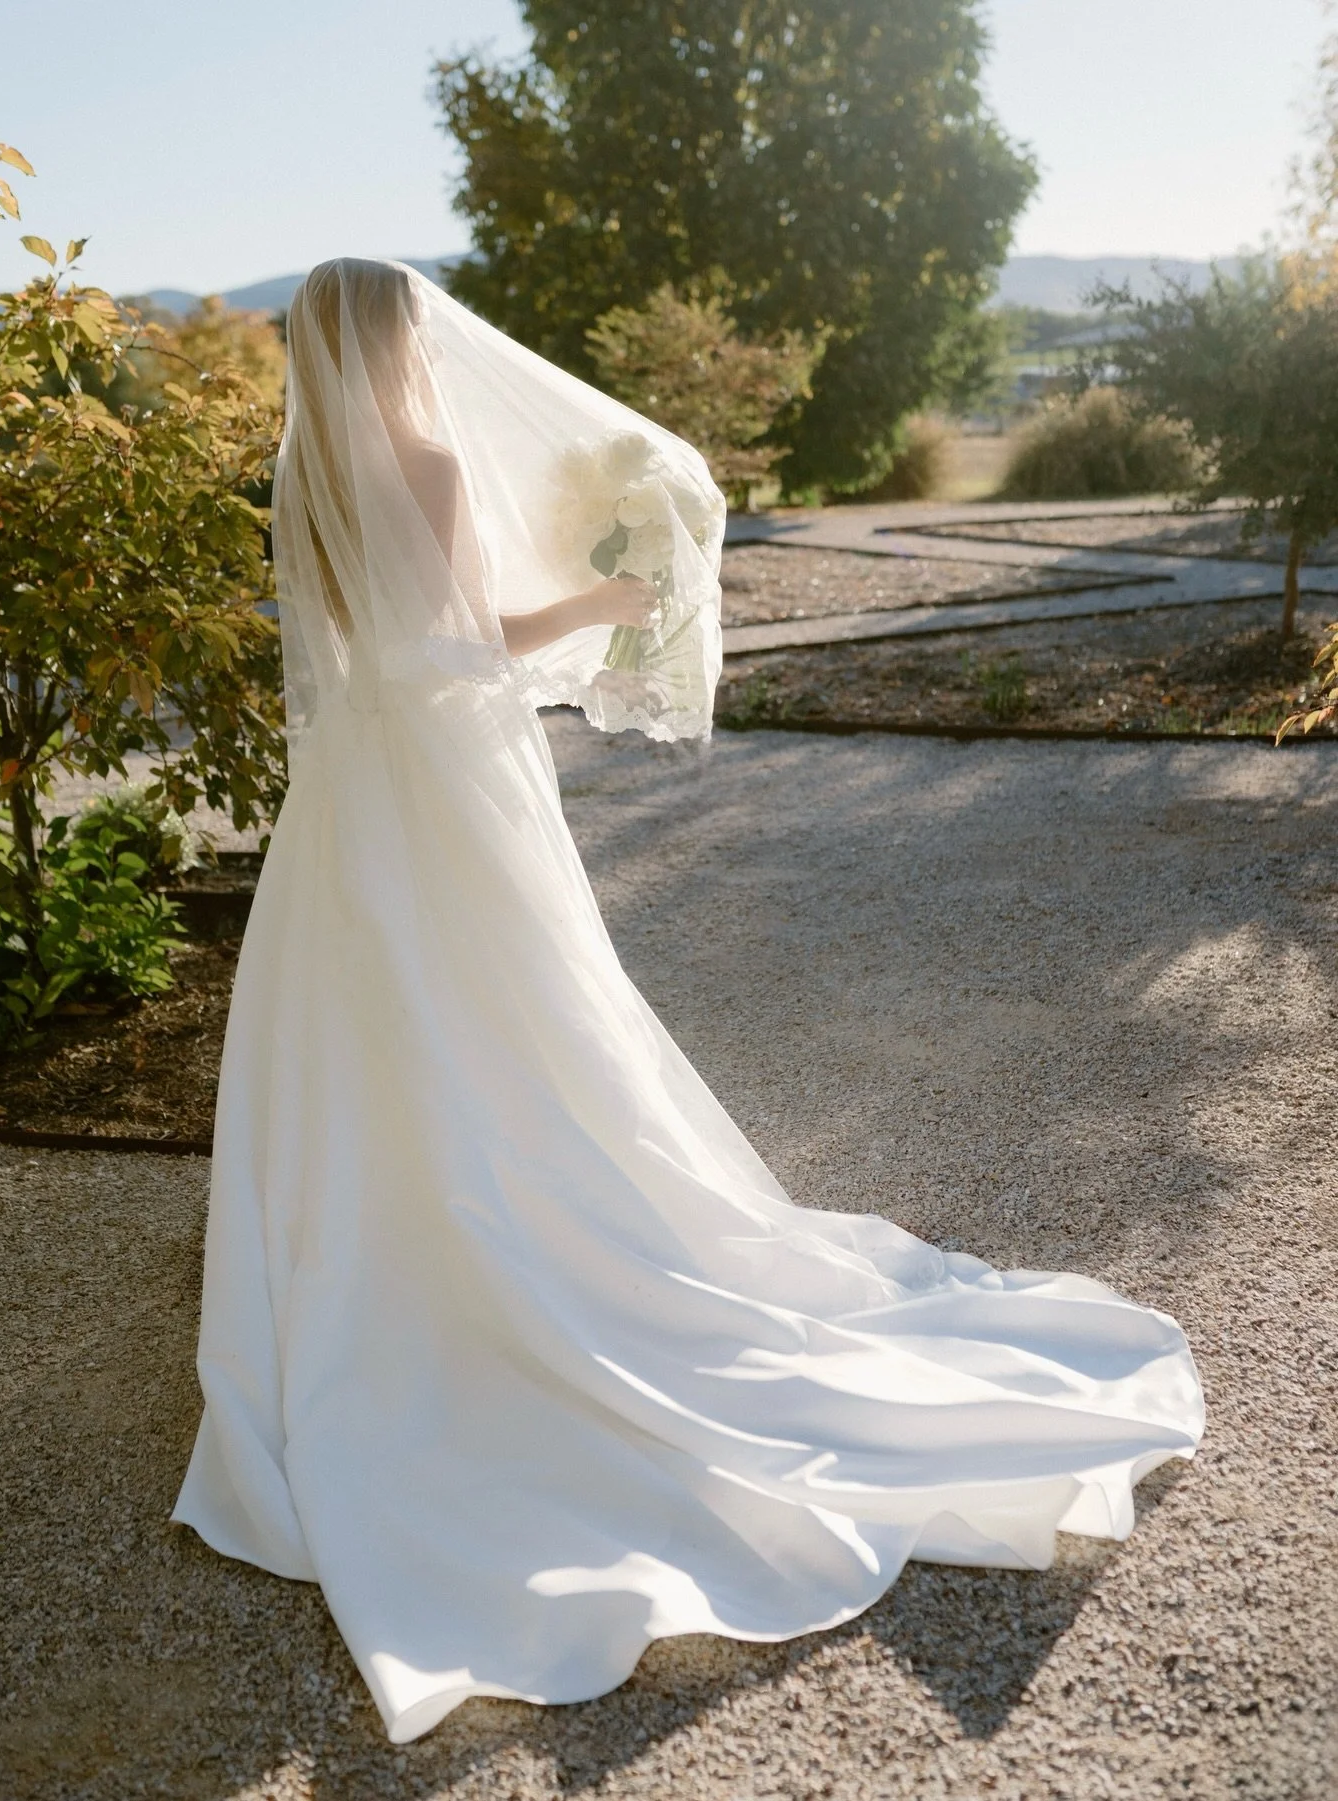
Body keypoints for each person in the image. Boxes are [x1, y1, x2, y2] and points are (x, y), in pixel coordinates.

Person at [172, 259, 1204, 1745]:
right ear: (398, 343)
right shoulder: (426, 458)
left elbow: (368, 660)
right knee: (524, 1016)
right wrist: (608, 594)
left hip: (350, 805)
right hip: (457, 789)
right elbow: (463, 646)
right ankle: (526, 1260)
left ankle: (363, 1281)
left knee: (369, 1032)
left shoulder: (308, 477)